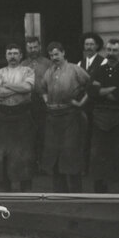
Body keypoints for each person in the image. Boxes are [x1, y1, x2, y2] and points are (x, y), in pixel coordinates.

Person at [88, 39, 119, 193]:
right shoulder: (97, 71)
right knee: (97, 154)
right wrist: (110, 90)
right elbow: (91, 93)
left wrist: (101, 91)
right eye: (108, 50)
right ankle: (100, 192)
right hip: (100, 115)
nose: (111, 53)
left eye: (115, 50)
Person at [38, 42, 89, 193]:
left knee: (70, 152)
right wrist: (47, 100)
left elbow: (91, 86)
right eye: (51, 55)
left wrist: (80, 102)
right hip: (53, 117)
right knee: (54, 153)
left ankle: (75, 192)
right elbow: (42, 89)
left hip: (70, 116)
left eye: (57, 54)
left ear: (63, 53)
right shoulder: (49, 72)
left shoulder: (75, 69)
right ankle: (59, 191)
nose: (54, 58)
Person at [0, 43, 35, 191]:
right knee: (1, 154)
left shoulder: (28, 71)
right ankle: (5, 189)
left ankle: (25, 189)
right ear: (6, 56)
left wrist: (7, 86)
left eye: (16, 53)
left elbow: (28, 88)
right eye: (10, 53)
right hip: (3, 118)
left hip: (22, 117)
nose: (13, 56)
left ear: (21, 55)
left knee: (24, 155)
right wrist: (17, 89)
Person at [22, 35, 52, 170]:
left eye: (35, 47)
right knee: (29, 133)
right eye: (30, 47)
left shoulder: (47, 63)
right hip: (27, 102)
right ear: (26, 48)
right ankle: (31, 165)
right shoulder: (22, 64)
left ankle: (44, 165)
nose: (33, 50)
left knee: (44, 133)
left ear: (39, 47)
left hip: (43, 101)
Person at [78, 32, 106, 172]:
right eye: (86, 44)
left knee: (97, 137)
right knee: (84, 135)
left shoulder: (104, 62)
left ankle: (97, 168)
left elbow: (101, 84)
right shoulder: (79, 64)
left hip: (98, 105)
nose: (89, 47)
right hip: (83, 106)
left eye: (92, 44)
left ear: (97, 46)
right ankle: (85, 167)